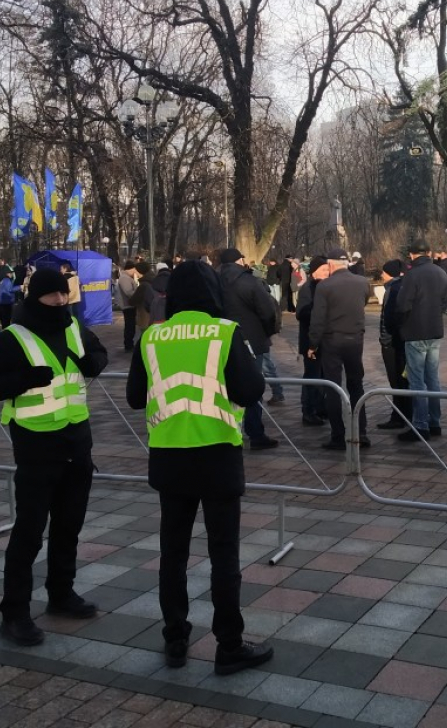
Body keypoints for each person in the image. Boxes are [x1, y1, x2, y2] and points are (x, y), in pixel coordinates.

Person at [126, 260, 274, 676]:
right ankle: (229, 645)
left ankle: (175, 639)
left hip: (169, 458)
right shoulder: (225, 333)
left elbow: (136, 397)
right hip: (217, 456)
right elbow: (250, 389)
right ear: (213, 292)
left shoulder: (152, 336)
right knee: (223, 554)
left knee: (172, 554)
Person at [0, 267, 109, 646]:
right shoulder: (13, 338)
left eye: (64, 294)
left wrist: (95, 362)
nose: (60, 301)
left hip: (78, 445)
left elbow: (97, 352)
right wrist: (23, 379)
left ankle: (61, 594)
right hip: (36, 448)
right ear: (34, 298)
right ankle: (14, 613)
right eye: (51, 295)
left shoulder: (73, 327)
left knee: (68, 527)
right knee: (28, 533)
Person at [217, 248, 282, 449]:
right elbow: (268, 311)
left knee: (224, 386)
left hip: (221, 339)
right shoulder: (250, 282)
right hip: (252, 340)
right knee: (254, 386)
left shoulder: (214, 282)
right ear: (239, 260)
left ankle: (226, 430)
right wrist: (267, 332)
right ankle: (255, 433)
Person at [308, 249, 371, 450]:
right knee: (356, 385)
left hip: (332, 340)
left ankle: (338, 435)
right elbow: (363, 303)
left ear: (332, 265)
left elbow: (318, 319)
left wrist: (312, 344)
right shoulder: (362, 282)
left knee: (333, 388)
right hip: (355, 339)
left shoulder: (325, 286)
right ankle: (361, 433)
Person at [395, 241, 447, 443]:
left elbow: (402, 304)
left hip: (415, 331)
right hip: (435, 330)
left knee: (417, 381)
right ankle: (434, 421)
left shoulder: (412, 275)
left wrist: (401, 324)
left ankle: (420, 425)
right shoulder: (440, 272)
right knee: (432, 378)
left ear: (411, 254)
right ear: (428, 252)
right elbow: (444, 302)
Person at [376, 259, 412, 431]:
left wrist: (385, 341)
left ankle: (399, 416)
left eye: (383, 272)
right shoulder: (405, 286)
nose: (381, 275)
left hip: (392, 343)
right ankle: (406, 413)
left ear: (390, 273)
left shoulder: (392, 289)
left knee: (396, 381)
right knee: (403, 380)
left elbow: (388, 320)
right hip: (404, 340)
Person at [296, 256, 330, 427]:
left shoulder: (326, 287)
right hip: (310, 340)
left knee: (324, 376)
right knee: (312, 376)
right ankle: (308, 411)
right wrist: (319, 311)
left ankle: (321, 407)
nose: (326, 273)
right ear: (314, 271)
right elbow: (301, 313)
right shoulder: (307, 289)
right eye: (323, 270)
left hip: (325, 340)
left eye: (328, 270)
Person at [116, 260, 141, 351]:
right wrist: (138, 293)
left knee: (130, 325)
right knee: (130, 326)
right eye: (135, 270)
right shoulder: (125, 278)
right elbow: (129, 292)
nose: (135, 273)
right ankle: (129, 344)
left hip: (129, 305)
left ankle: (129, 343)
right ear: (131, 269)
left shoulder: (125, 277)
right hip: (128, 306)